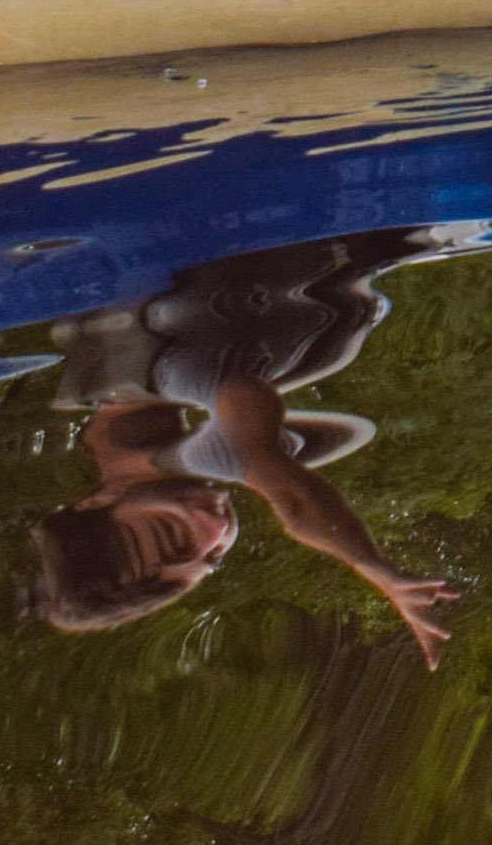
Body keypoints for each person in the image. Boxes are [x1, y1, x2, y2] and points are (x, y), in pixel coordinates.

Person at [24, 231, 459, 665]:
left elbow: (288, 491)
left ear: (96, 502)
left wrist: (373, 568)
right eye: (213, 558)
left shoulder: (180, 393)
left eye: (172, 535)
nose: (219, 530)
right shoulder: (95, 385)